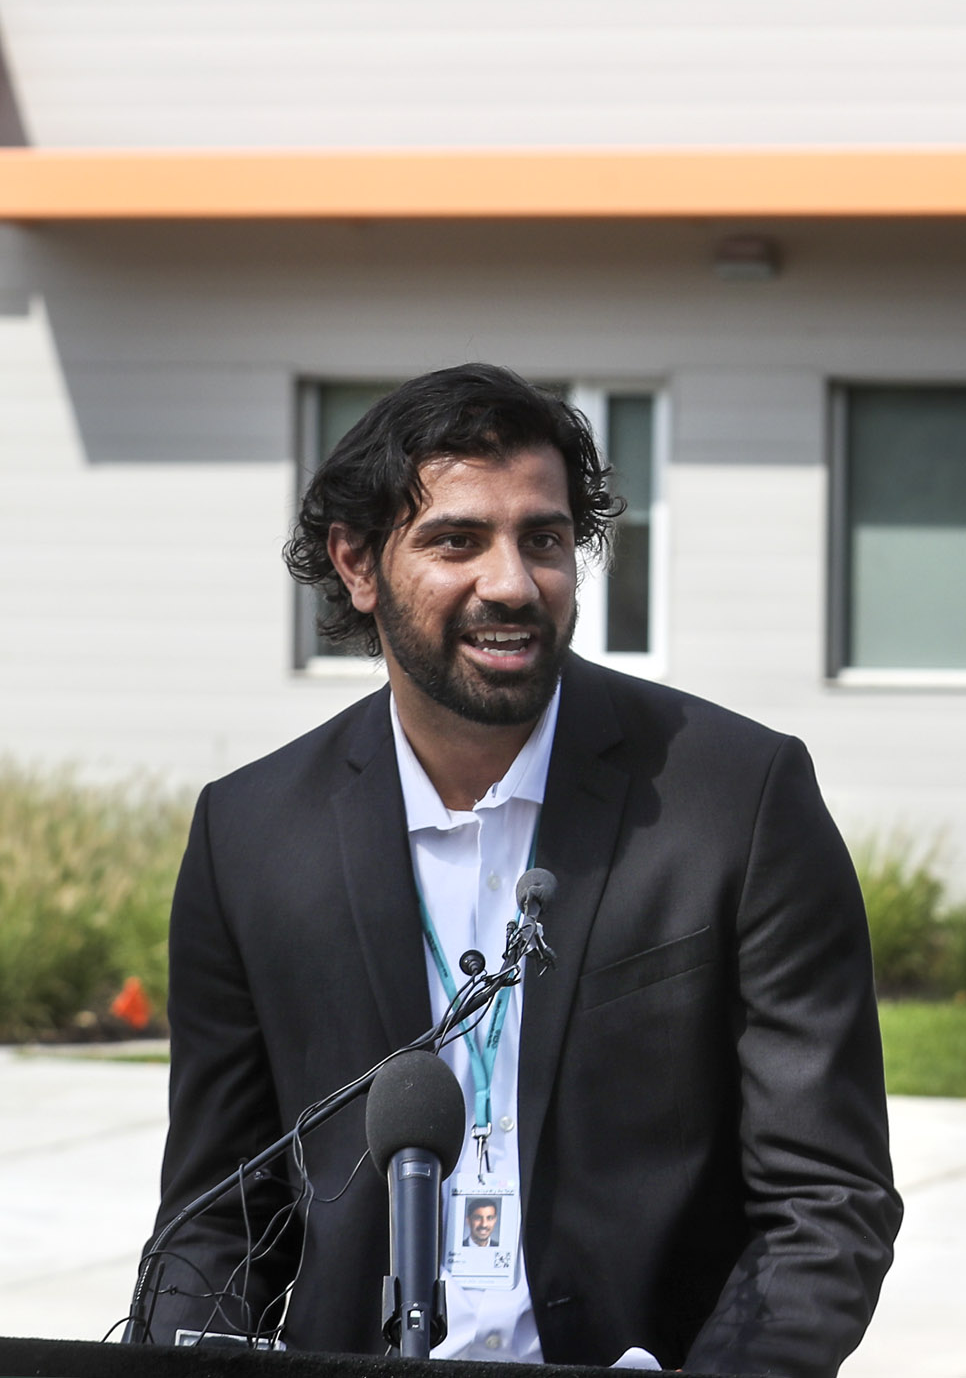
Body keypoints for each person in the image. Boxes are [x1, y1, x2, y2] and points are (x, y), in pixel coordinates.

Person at [147, 364, 898, 1373]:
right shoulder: (249, 835)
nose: (512, 581)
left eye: (543, 539)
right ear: (357, 565)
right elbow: (221, 1220)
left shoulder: (739, 799)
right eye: (457, 539)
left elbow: (827, 1198)